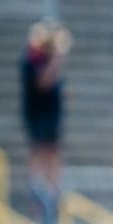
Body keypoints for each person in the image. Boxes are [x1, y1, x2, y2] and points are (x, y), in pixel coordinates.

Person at [19, 20, 69, 196]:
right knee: (39, 148)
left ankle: (53, 189)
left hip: (50, 112)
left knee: (53, 150)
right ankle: (37, 187)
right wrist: (56, 61)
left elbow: (53, 85)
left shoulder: (44, 59)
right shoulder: (31, 62)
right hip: (37, 112)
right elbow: (42, 84)